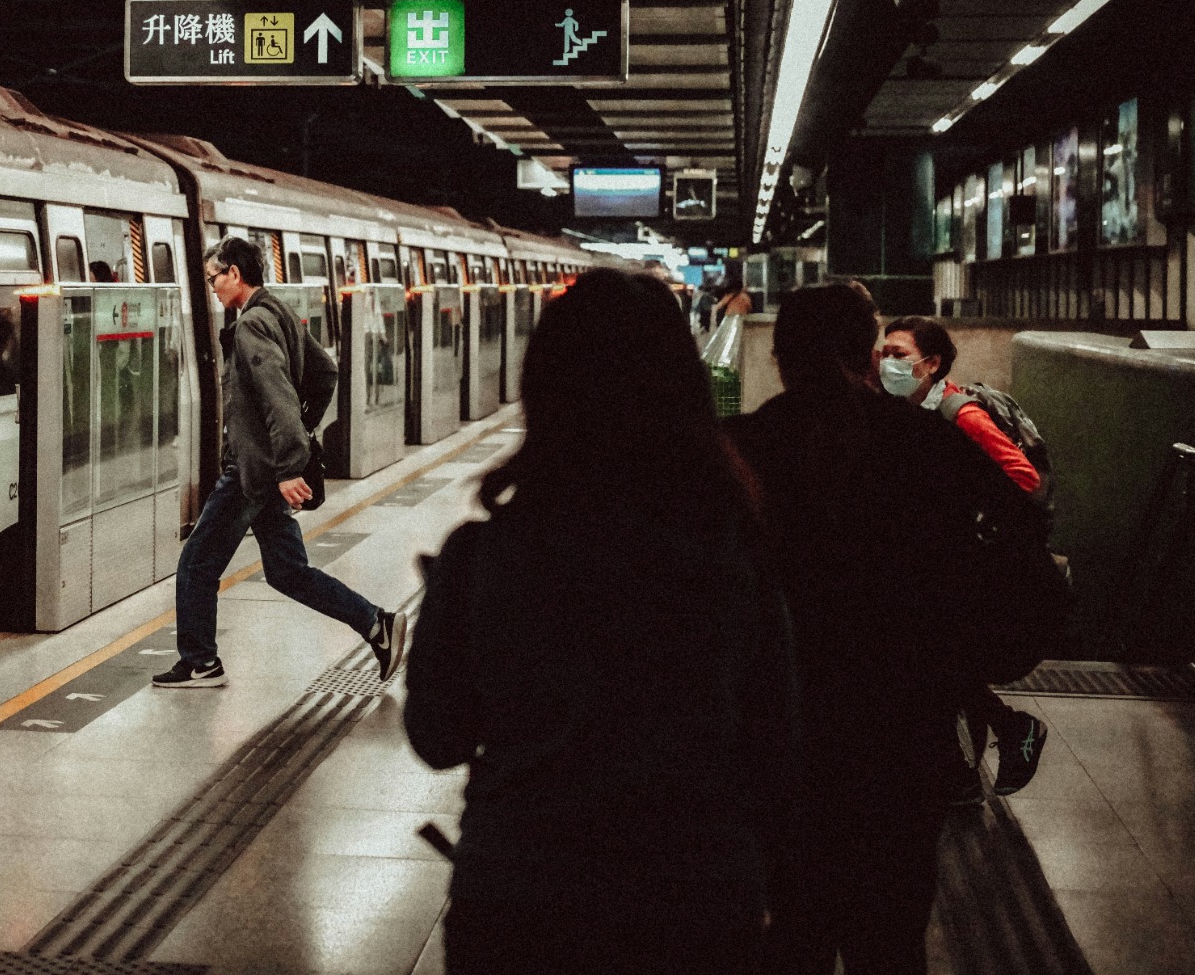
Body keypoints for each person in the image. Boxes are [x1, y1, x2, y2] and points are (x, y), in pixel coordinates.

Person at [405, 269, 797, 974]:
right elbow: (775, 740)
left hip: (523, 892)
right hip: (695, 893)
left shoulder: (485, 556)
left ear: (542, 389)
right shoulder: (733, 554)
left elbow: (438, 736)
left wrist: (457, 621)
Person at [728, 285, 1057, 975]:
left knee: (792, 932)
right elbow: (1017, 525)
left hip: (781, 739)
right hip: (901, 734)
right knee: (891, 937)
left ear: (781, 357)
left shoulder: (745, 448)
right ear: (866, 354)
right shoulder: (928, 442)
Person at [156, 235, 407, 689]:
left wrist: (290, 462)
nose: (211, 287)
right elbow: (325, 371)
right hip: (267, 470)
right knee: (288, 571)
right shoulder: (282, 313)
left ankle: (200, 663)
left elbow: (276, 397)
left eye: (214, 278)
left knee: (196, 564)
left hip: (252, 472)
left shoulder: (253, 324)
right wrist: (303, 431)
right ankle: (376, 624)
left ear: (235, 273)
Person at [881, 316, 1049, 799]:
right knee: (945, 661)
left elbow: (1024, 478)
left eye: (899, 354)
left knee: (939, 660)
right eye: (884, 353)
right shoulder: (907, 410)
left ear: (931, 364)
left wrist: (968, 505)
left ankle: (995, 744)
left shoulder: (960, 414)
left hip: (970, 562)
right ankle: (975, 762)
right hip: (936, 560)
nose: (888, 362)